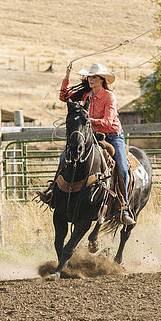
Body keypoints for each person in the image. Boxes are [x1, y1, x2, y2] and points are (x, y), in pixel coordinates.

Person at [38, 62, 135, 226]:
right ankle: (53, 193)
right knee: (65, 157)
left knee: (122, 167)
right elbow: (64, 97)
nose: (91, 80)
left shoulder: (109, 97)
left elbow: (107, 121)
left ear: (102, 80)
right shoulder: (87, 95)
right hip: (93, 136)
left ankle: (124, 208)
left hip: (112, 136)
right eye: (90, 77)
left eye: (94, 77)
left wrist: (86, 120)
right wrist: (67, 77)